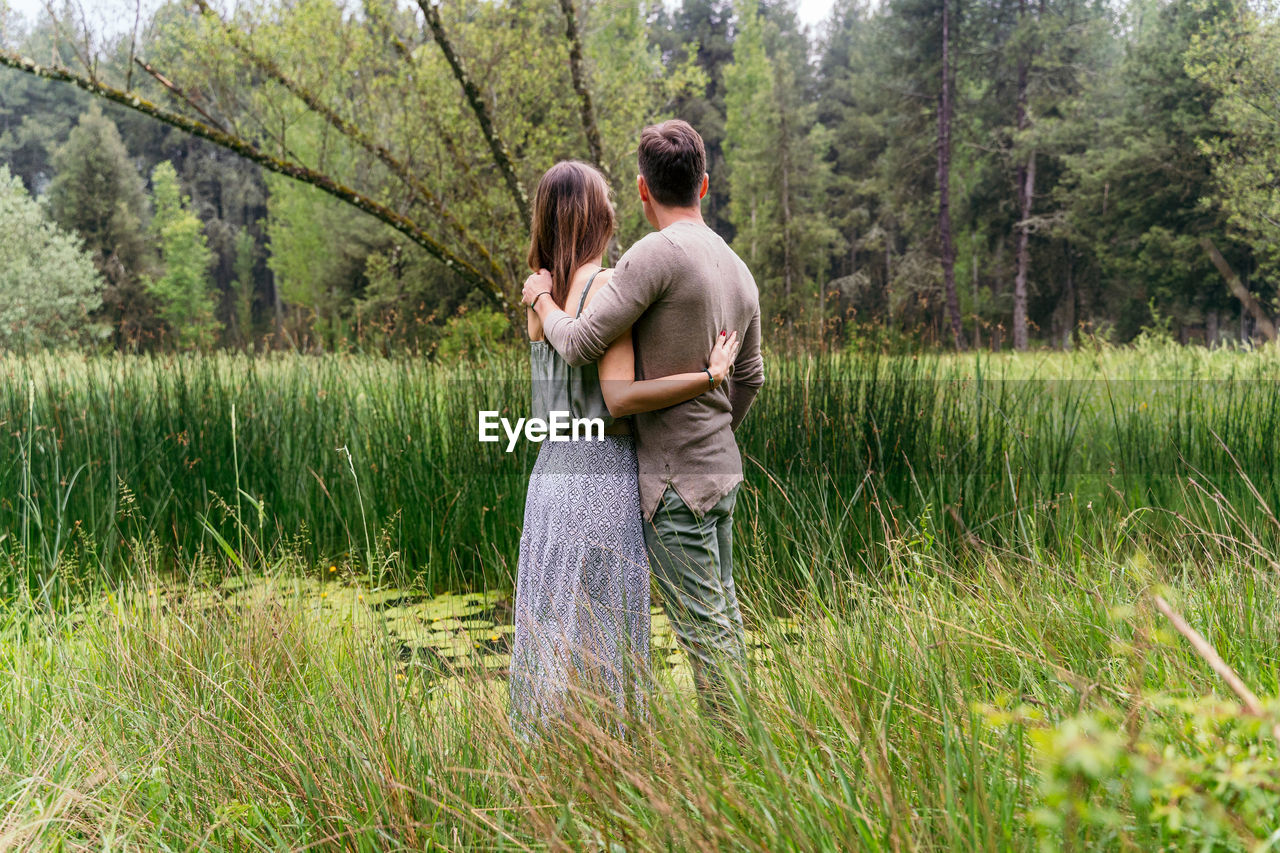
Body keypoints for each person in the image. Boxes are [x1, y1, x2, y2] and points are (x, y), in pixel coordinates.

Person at [522, 121, 765, 715]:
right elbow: (752, 377)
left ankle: (743, 760)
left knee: (705, 634)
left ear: (642, 189)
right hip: (719, 470)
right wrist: (711, 423)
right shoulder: (738, 268)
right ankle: (749, 754)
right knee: (723, 619)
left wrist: (539, 299)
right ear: (703, 185)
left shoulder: (649, 257)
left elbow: (580, 347)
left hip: (670, 481)